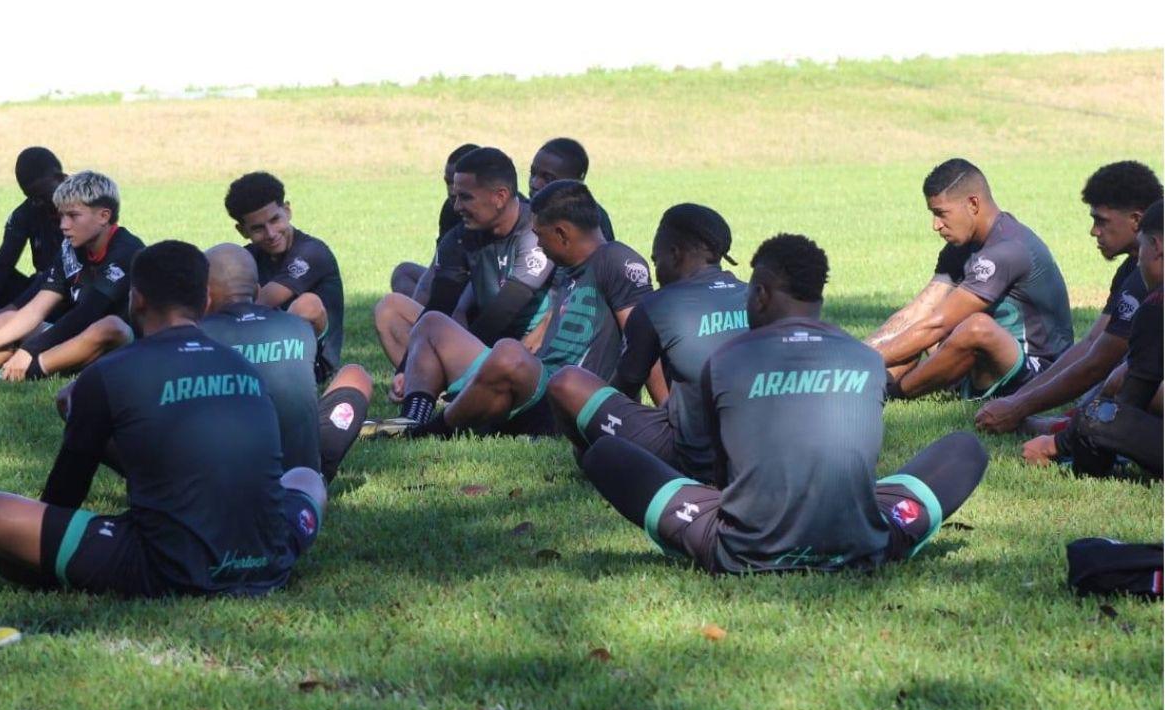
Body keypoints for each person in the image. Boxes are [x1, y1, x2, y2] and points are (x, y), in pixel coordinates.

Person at [580, 233, 989, 574]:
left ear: (759, 295)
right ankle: (855, 529)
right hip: (861, 545)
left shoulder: (726, 361)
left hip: (744, 551)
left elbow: (723, 482)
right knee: (966, 449)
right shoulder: (866, 359)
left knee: (606, 456)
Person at [0, 240, 326, 597]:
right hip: (270, 557)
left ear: (136, 299)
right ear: (206, 301)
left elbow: (64, 495)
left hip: (168, 566)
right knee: (307, 479)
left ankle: (51, 577)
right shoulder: (243, 364)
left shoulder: (110, 373)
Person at [366, 179, 650, 438]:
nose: (539, 244)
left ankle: (433, 430)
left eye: (541, 236)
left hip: (569, 396)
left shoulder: (617, 261)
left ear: (562, 233)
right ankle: (412, 419)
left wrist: (648, 414)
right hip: (539, 381)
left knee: (508, 353)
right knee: (432, 325)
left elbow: (645, 344)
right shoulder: (568, 268)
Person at [548, 203, 747, 482]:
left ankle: (594, 461)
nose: (656, 273)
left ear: (675, 254)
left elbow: (625, 388)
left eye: (656, 261)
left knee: (566, 383)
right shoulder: (755, 297)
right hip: (755, 457)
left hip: (695, 461)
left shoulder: (658, 305)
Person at [976, 161, 1161, 433]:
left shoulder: (1145, 276)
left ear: (1136, 220)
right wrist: (1016, 399)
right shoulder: (1131, 269)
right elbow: (1091, 344)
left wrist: (1018, 408)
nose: (1094, 231)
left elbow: (1096, 364)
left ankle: (1074, 431)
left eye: (1101, 221)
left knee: (1118, 378)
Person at [867, 158, 1072, 401]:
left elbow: (938, 326)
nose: (935, 225)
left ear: (973, 203)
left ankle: (894, 393)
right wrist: (852, 355)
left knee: (974, 328)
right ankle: (856, 381)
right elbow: (920, 310)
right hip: (986, 366)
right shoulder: (961, 246)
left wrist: (869, 359)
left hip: (1039, 372)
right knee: (917, 329)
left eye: (941, 214)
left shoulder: (1007, 249)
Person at [372, 147, 555, 378]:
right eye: (456, 195)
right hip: (486, 347)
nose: (456, 206)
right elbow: (439, 304)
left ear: (500, 197)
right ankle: (428, 389)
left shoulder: (536, 230)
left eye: (466, 197)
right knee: (389, 310)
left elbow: (505, 310)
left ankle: (463, 388)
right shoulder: (461, 236)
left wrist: (459, 355)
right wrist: (405, 370)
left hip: (534, 353)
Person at [199, 243, 372, 482]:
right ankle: (315, 476)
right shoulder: (297, 327)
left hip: (221, 479)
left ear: (204, 296)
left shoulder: (195, 338)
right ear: (258, 291)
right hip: (297, 479)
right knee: (356, 376)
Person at [1023, 199, 1162, 478]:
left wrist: (1058, 443)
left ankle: (1082, 457)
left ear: (1157, 247)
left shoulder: (1157, 305)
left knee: (1097, 415)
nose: (1140, 260)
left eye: (1142, 248)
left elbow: (1126, 402)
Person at [0, 171, 142, 382]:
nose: (63, 225)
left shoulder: (127, 251)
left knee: (111, 326)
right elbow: (37, 308)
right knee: (4, 319)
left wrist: (31, 349)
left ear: (104, 216)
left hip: (119, 345)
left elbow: (88, 312)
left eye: (73, 216)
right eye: (62, 216)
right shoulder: (70, 248)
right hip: (75, 339)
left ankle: (29, 370)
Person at [224, 171, 344, 381]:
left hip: (311, 362)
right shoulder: (248, 256)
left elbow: (264, 301)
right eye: (258, 228)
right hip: (261, 351)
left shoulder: (312, 252)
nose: (271, 233)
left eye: (275, 219)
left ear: (287, 211)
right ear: (242, 231)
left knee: (307, 304)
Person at [0, 147, 66, 330]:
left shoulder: (84, 207)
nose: (38, 203)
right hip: (38, 287)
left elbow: (59, 271)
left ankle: (9, 316)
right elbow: (3, 264)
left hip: (71, 293)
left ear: (60, 178)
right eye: (31, 197)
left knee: (47, 276)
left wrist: (13, 308)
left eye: (42, 196)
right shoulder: (27, 211)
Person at [389, 142, 480, 300]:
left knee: (390, 309)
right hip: (455, 279)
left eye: (457, 183)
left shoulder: (495, 211)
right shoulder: (450, 209)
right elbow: (439, 263)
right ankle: (428, 317)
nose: (452, 190)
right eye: (448, 182)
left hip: (481, 287)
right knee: (403, 273)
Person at [528, 137, 615, 240]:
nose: (534, 183)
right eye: (533, 173)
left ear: (576, 182)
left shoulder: (591, 220)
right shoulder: (524, 210)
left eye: (548, 178)